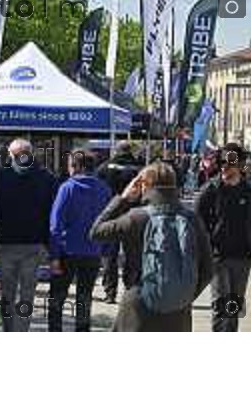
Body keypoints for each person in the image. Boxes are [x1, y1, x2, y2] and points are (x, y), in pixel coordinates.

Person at [90, 162, 212, 331]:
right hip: (179, 312)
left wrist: (123, 199)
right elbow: (207, 270)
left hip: (138, 304)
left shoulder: (136, 218)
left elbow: (96, 232)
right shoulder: (192, 219)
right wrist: (183, 295)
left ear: (144, 185)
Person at [0, 138, 58, 332]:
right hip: (34, 244)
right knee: (26, 294)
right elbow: (54, 216)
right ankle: (21, 331)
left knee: (7, 294)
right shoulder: (47, 178)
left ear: (11, 156)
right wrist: (52, 247)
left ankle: (10, 331)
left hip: (7, 244)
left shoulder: (3, 177)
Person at [195, 143, 251, 332]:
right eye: (222, 162)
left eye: (231, 162)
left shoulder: (250, 192)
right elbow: (196, 222)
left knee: (233, 304)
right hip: (217, 256)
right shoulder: (210, 190)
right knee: (221, 302)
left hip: (243, 256)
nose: (225, 166)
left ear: (241, 164)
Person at [48, 150, 112, 332]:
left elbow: (55, 224)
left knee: (57, 297)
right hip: (92, 251)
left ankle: (55, 331)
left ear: (78, 167)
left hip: (67, 251)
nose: (68, 169)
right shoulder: (104, 189)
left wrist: (54, 255)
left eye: (70, 165)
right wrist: (106, 251)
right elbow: (108, 223)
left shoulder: (67, 188)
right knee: (85, 297)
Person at [97, 141, 143, 303]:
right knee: (133, 254)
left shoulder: (104, 168)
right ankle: (130, 290)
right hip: (134, 216)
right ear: (130, 151)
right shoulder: (141, 168)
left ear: (116, 151)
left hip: (112, 214)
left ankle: (110, 293)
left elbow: (99, 192)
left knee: (110, 255)